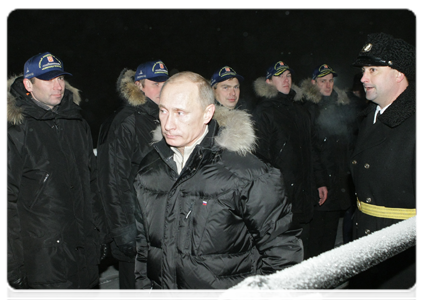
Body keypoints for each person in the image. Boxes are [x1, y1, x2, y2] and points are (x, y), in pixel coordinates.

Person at [133, 71, 303, 299]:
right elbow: (144, 249)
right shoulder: (149, 168)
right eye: (163, 110)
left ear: (207, 113)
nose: (168, 123)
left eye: (180, 113)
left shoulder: (248, 172)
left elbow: (282, 252)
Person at [5, 52, 107, 299]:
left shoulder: (76, 124)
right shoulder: (15, 130)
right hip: (41, 263)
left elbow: (91, 184)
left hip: (83, 256)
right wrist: (9, 267)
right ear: (28, 84)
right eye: (48, 79)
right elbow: (5, 202)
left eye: (60, 77)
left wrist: (100, 233)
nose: (58, 85)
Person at [348, 32, 419, 300]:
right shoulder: (370, 118)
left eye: (373, 70)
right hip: (366, 248)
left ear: (399, 74)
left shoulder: (417, 124)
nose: (364, 78)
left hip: (402, 260)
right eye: (364, 70)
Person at [96, 60, 169, 300]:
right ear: (139, 85)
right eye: (155, 83)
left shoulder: (163, 118)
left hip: (160, 227)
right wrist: (124, 231)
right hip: (136, 230)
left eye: (165, 82)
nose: (162, 88)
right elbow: (112, 181)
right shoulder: (126, 122)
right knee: (136, 291)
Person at [252, 60, 327, 259]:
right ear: (268, 81)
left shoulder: (300, 109)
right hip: (282, 195)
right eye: (280, 76)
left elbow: (312, 148)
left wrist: (319, 181)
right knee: (284, 250)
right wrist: (270, 195)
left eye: (288, 76)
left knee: (306, 245)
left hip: (305, 191)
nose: (286, 80)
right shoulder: (264, 112)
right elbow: (261, 158)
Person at [300, 64, 357, 257]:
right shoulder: (308, 108)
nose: (328, 85)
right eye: (323, 81)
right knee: (315, 238)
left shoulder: (341, 106)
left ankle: (327, 280)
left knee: (330, 236)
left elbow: (348, 143)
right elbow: (311, 150)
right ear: (314, 83)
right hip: (320, 183)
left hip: (339, 181)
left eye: (331, 80)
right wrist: (320, 181)